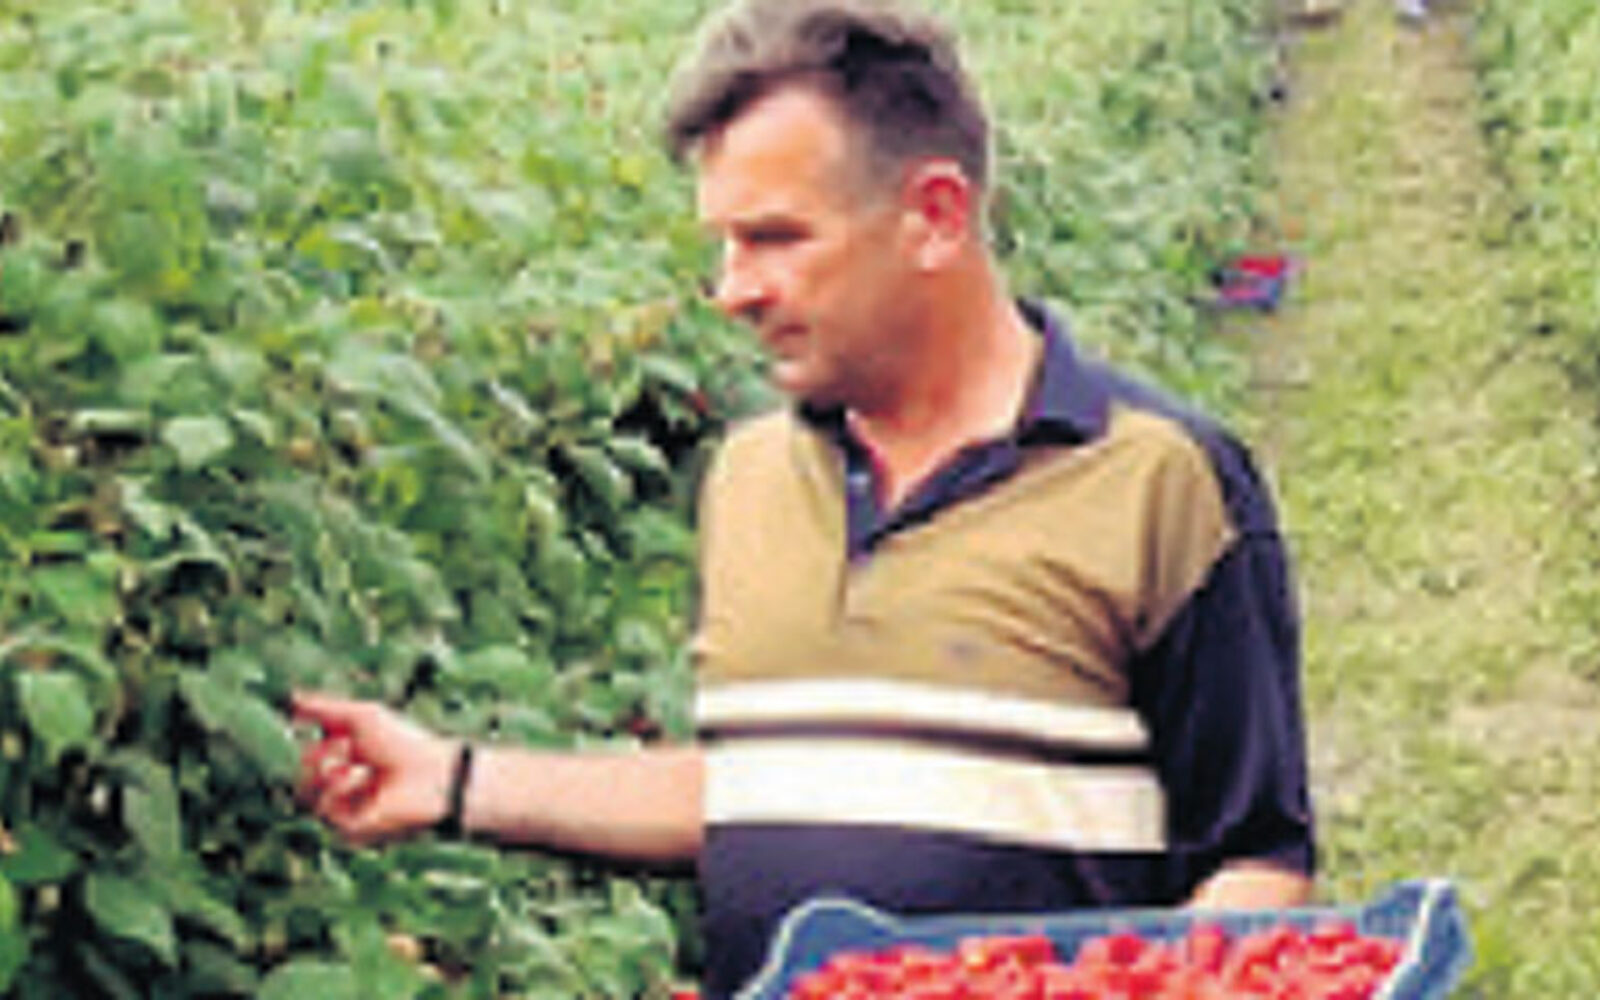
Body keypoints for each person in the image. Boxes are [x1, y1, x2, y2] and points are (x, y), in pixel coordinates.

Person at [295, 1, 1316, 996]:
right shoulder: (749, 478)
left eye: (775, 238)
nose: (731, 289)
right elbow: (760, 784)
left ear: (934, 216)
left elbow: (1257, 863)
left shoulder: (1156, 478)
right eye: (724, 244)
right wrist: (455, 780)